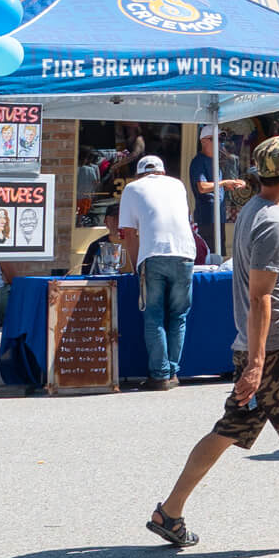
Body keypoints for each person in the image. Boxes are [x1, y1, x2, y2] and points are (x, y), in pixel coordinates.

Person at [146, 136, 279, 551]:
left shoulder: (255, 210)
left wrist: (253, 358)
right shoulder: (273, 224)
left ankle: (169, 511)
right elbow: (261, 296)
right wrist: (258, 362)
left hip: (261, 345)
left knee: (230, 428)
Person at [116, 154, 198, 390]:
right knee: (178, 315)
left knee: (154, 315)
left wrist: (135, 265)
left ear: (140, 173)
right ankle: (172, 372)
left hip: (153, 253)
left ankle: (160, 374)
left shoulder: (132, 188)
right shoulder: (177, 185)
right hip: (184, 253)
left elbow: (130, 234)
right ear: (162, 172)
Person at [189, 131, 247, 255]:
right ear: (203, 141)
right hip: (206, 219)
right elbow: (202, 187)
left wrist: (230, 185)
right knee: (208, 257)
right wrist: (225, 182)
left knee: (218, 254)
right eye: (214, 139)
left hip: (218, 217)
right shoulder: (199, 161)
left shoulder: (214, 161)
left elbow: (216, 187)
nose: (219, 143)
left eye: (221, 140)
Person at [80, 210, 124, 276]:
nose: (118, 223)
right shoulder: (96, 246)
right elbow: (86, 273)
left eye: (121, 218)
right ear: (105, 222)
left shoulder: (134, 244)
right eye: (114, 218)